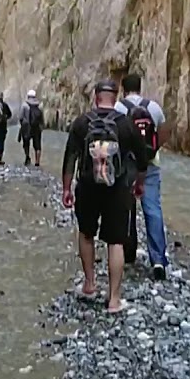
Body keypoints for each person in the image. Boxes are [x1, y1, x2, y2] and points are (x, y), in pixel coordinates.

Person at [61, 80, 150, 314]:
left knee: (86, 233)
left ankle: (90, 285)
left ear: (95, 96)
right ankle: (114, 299)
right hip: (118, 189)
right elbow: (142, 159)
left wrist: (66, 189)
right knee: (115, 241)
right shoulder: (126, 124)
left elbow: (70, 157)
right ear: (116, 97)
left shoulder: (82, 123)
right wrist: (139, 184)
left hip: (88, 187)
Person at [114, 73, 170, 280]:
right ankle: (158, 260)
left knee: (126, 208)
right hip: (150, 165)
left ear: (123, 88)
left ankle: (128, 253)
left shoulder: (119, 109)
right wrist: (151, 152)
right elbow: (164, 132)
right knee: (153, 209)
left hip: (126, 165)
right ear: (140, 87)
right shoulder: (154, 108)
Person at [18, 89, 45, 166]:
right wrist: (41, 127)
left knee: (26, 144)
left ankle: (27, 157)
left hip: (27, 127)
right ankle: (37, 162)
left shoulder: (24, 105)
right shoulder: (39, 105)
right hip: (37, 128)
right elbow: (42, 118)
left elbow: (20, 117)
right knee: (37, 145)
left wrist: (22, 126)